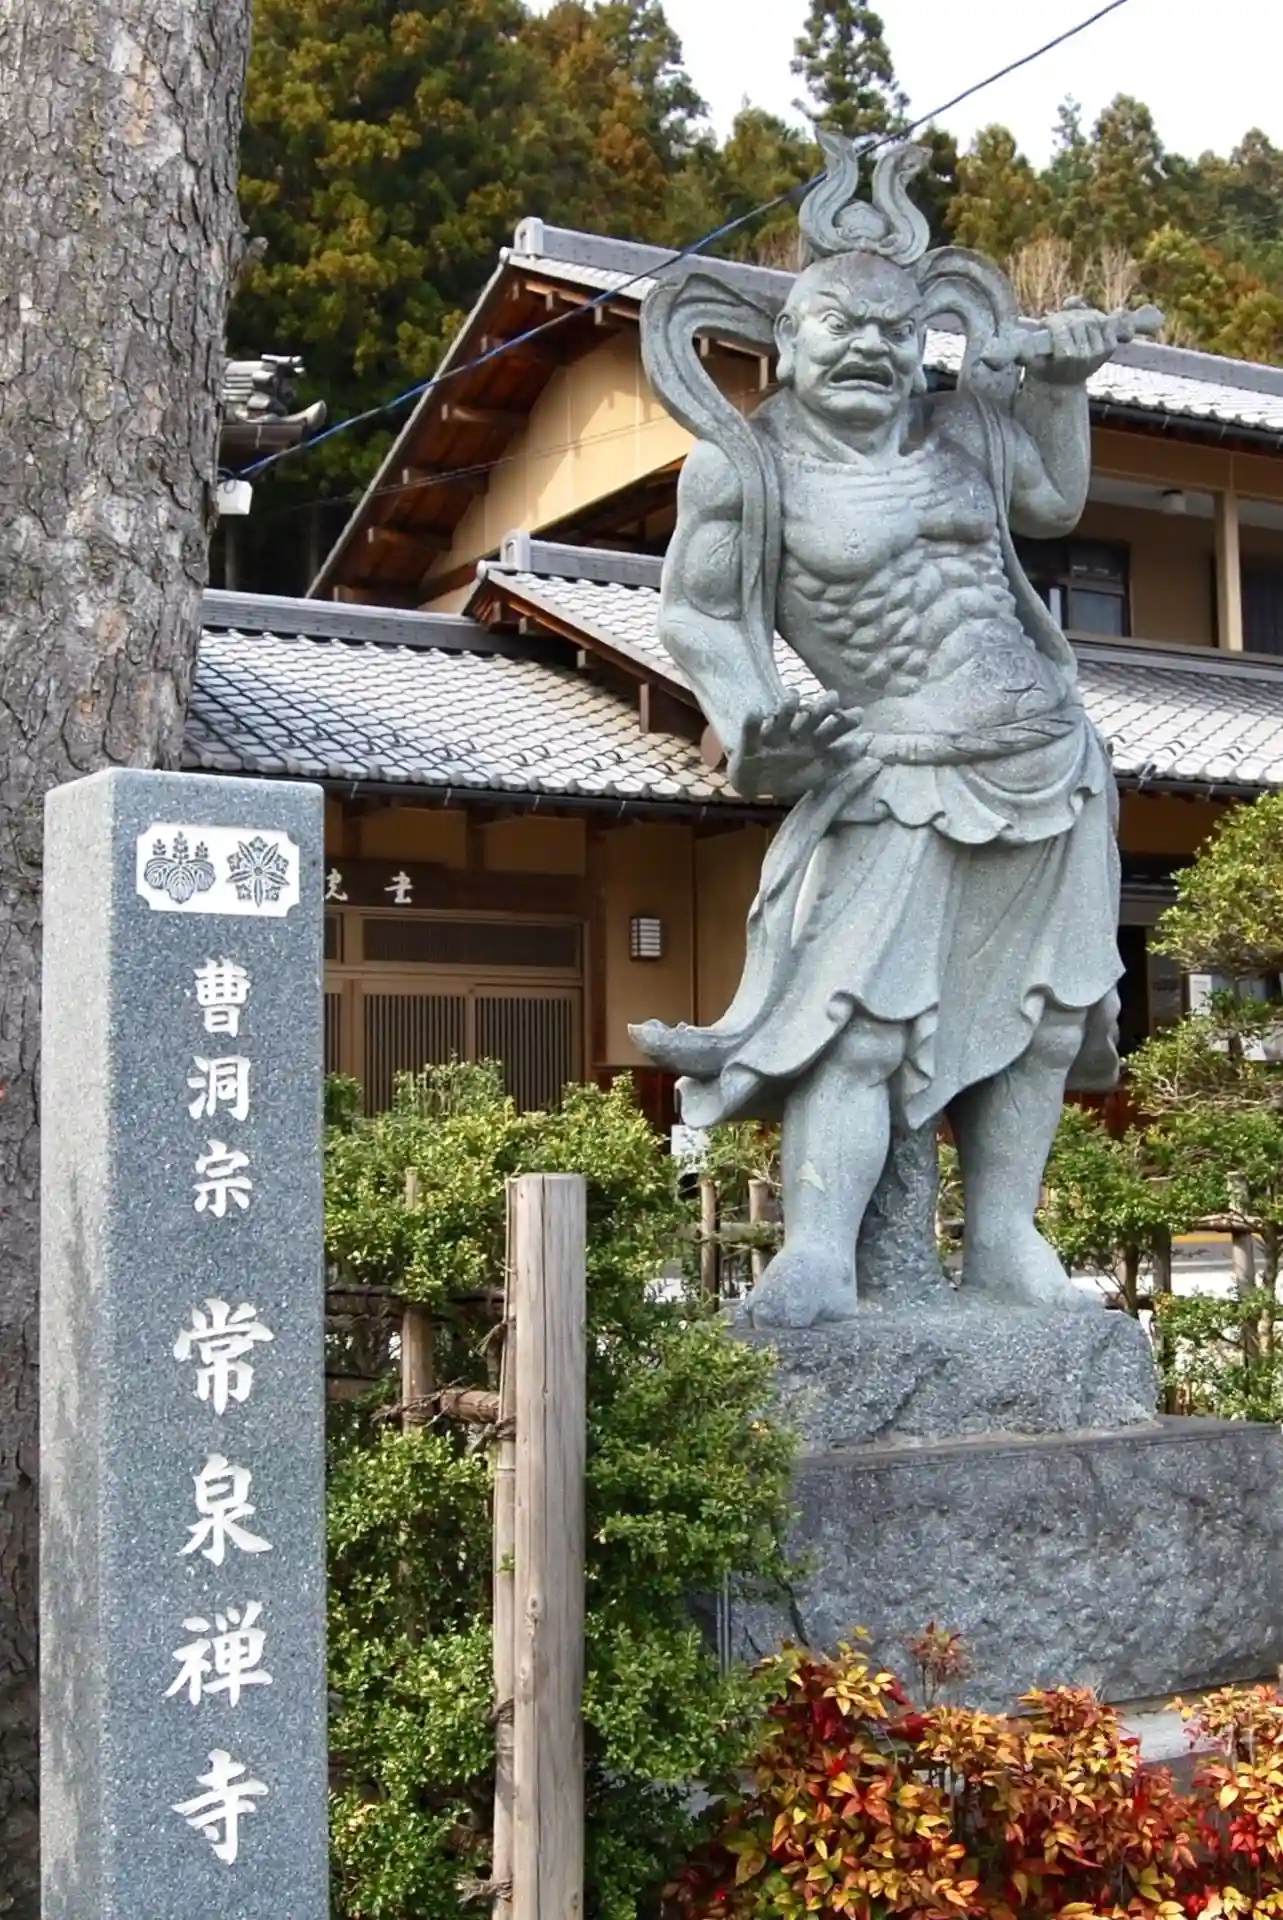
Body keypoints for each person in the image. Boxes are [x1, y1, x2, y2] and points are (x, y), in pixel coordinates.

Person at [630, 136, 1147, 1328]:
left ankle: (1004, 1239)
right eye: (838, 326)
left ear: (923, 345)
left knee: (1043, 1016)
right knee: (856, 1021)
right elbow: (697, 614)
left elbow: (1054, 501)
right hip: (896, 766)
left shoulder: (965, 431)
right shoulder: (745, 468)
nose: (867, 346)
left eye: (893, 331)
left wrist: (1059, 387)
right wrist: (752, 720)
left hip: (1050, 758)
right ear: (783, 341)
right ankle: (817, 1250)